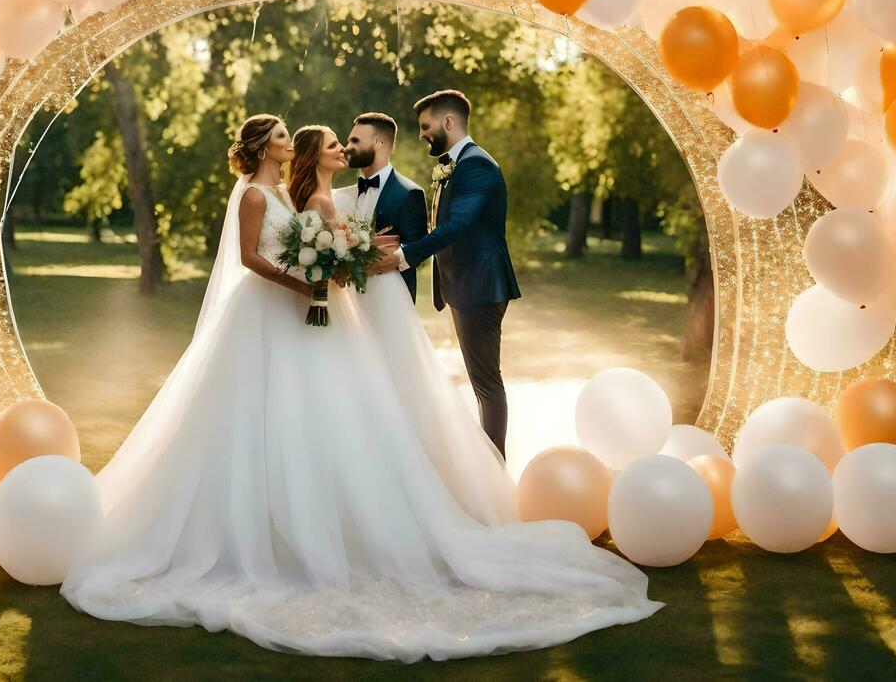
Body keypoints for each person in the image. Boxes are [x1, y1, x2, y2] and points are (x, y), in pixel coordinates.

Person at [62, 114, 659, 661]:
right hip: (266, 309)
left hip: (300, 304)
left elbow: (314, 241)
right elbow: (249, 258)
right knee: (248, 409)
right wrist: (302, 282)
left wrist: (346, 255)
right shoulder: (251, 195)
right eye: (280, 135)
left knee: (317, 411)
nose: (288, 141)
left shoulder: (278, 193)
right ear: (262, 146)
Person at [387, 89, 521, 458]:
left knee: (486, 383)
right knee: (483, 381)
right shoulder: (458, 164)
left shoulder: (476, 165)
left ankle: (495, 468)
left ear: (448, 122)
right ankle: (493, 463)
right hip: (467, 286)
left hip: (480, 285)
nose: (422, 134)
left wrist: (405, 256)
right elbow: (440, 224)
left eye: (425, 126)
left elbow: (459, 223)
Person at [340, 111, 427, 301]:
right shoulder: (343, 196)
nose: (347, 148)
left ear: (378, 142)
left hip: (391, 299)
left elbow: (419, 247)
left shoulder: (409, 193)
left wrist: (394, 254)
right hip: (348, 299)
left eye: (355, 141)